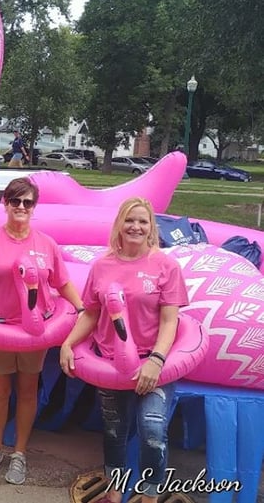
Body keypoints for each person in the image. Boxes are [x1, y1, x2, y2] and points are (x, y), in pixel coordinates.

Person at [0, 177, 84, 485]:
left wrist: (81, 310)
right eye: (15, 201)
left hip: (34, 331)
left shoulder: (46, 244)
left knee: (28, 392)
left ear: (34, 207)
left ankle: (20, 453)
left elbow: (62, 283)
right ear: (6, 204)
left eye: (27, 202)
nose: (21, 207)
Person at [59, 197, 185, 503]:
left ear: (152, 227)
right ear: (119, 225)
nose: (136, 227)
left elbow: (171, 320)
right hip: (111, 363)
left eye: (143, 221)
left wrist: (157, 360)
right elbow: (90, 313)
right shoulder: (102, 266)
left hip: (152, 363)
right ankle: (114, 492)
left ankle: (150, 496)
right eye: (130, 220)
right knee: (114, 431)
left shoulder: (166, 266)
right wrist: (68, 343)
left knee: (152, 432)